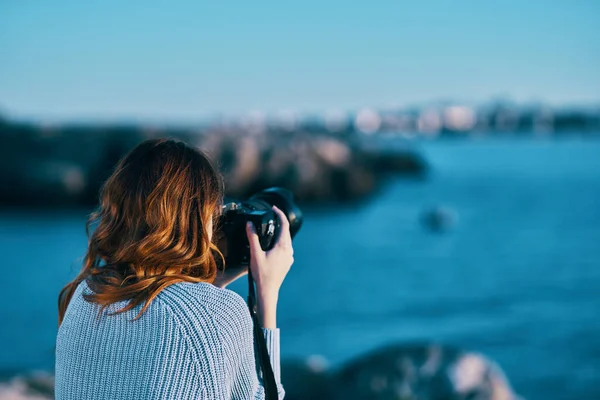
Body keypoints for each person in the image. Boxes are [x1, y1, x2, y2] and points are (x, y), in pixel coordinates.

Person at [55, 138, 292, 399]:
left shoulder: (85, 296)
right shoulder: (216, 314)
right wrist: (267, 295)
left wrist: (211, 285)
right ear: (200, 218)